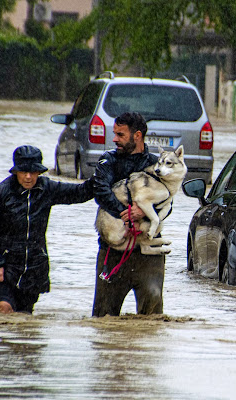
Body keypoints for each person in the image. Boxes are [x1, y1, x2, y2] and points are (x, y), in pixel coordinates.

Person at [0, 145, 94, 314]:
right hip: (4, 264)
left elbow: (81, 192)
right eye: (24, 172)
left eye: (33, 172)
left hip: (33, 268)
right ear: (16, 172)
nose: (28, 177)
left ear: (39, 172)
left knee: (24, 318)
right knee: (4, 308)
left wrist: (102, 176)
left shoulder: (47, 189)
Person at [92, 112, 166, 317]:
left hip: (149, 251)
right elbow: (100, 191)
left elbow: (168, 200)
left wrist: (144, 213)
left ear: (137, 136)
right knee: (103, 317)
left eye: (120, 135)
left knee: (152, 314)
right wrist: (125, 213)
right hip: (112, 252)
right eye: (114, 133)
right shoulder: (108, 160)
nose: (114, 139)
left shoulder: (157, 165)